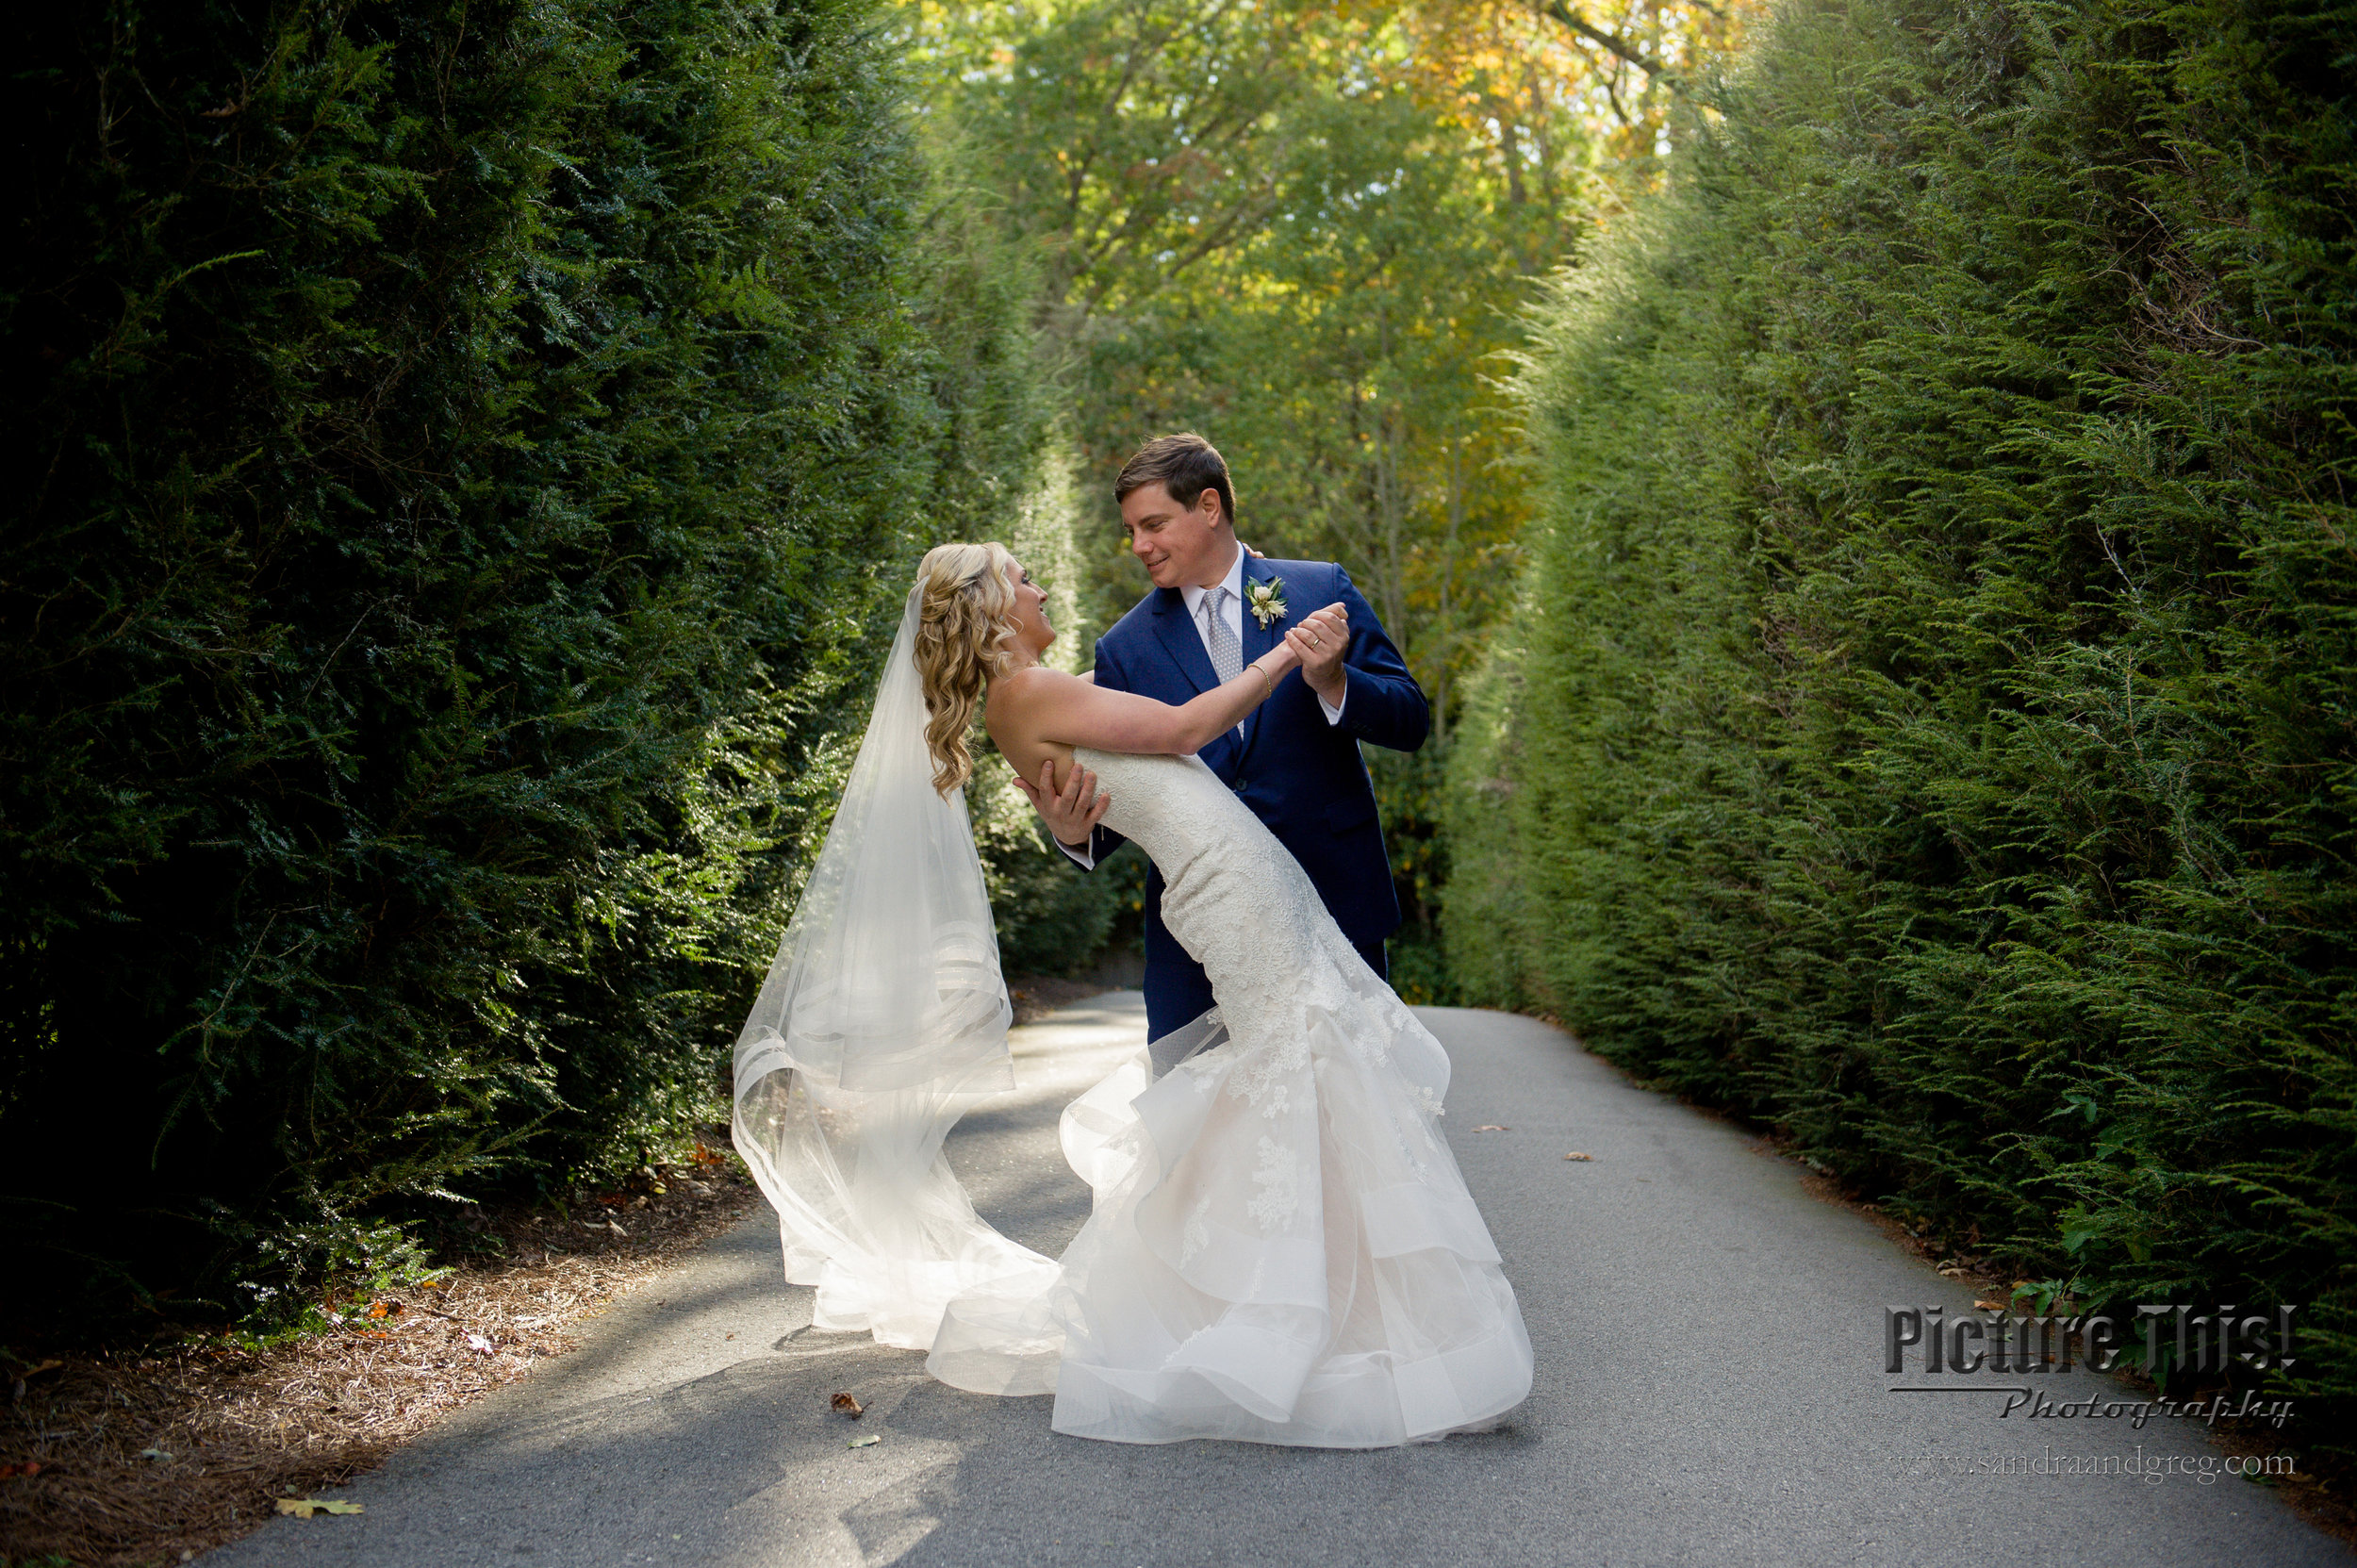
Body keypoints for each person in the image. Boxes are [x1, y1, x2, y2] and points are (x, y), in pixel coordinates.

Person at [732, 539, 1533, 1448]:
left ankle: (1285, 1291)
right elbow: (1186, 732)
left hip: (1244, 882)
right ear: (994, 610)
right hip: (1229, 892)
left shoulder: (1035, 694)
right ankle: (1295, 1309)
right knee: (1300, 1067)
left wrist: (1068, 816)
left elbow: (1107, 783)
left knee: (1295, 1072)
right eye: (1023, 579)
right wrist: (1284, 655)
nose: (1040, 587)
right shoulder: (1031, 691)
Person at [1017, 434, 1431, 1047]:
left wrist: (1335, 680)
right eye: (1130, 530)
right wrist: (1072, 831)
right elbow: (1119, 804)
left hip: (1333, 901)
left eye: (1153, 524)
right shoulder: (1124, 649)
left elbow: (1411, 718)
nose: (1139, 546)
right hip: (1198, 940)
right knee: (1211, 1134)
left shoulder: (1320, 589)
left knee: (1349, 1120)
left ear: (1208, 506)